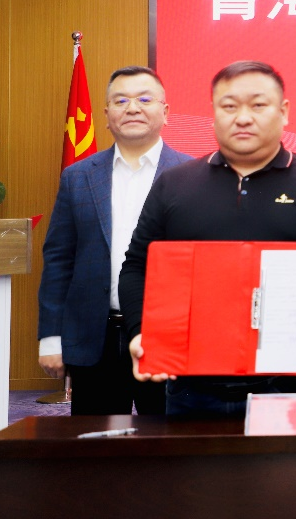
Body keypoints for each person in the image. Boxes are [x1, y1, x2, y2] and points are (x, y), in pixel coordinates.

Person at [119, 60, 296, 418]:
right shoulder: (174, 184)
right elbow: (136, 266)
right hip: (190, 386)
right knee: (192, 459)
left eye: (258, 105)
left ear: (284, 112)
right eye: (229, 106)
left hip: (290, 384)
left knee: (285, 459)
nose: (242, 117)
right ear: (213, 114)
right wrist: (139, 334)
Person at [36, 66, 191, 415]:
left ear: (165, 111)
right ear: (106, 115)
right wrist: (51, 336)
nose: (132, 108)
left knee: (168, 440)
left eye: (144, 99)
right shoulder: (78, 177)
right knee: (96, 443)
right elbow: (59, 260)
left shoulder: (194, 175)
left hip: (169, 337)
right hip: (96, 338)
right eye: (121, 101)